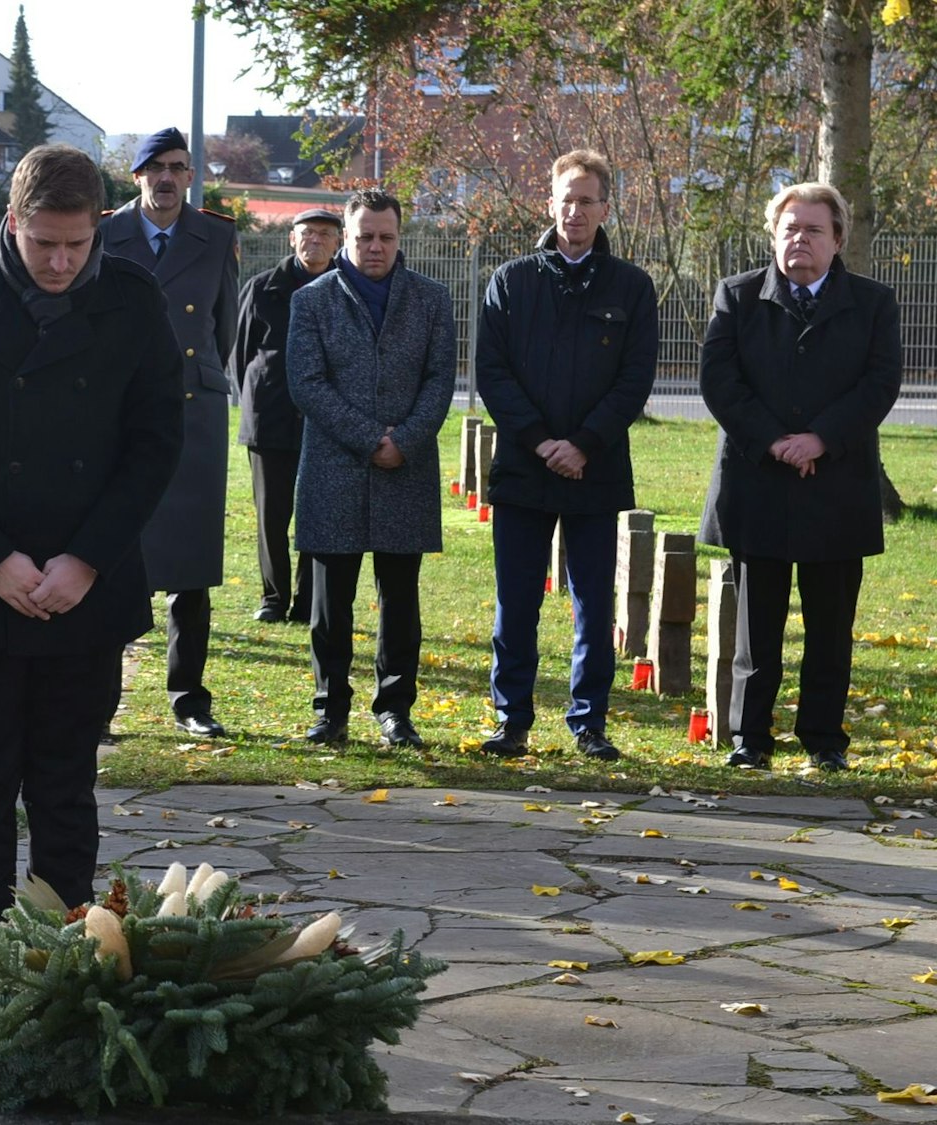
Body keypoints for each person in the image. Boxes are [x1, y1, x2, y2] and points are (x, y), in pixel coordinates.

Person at [0, 142, 183, 919]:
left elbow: (155, 442)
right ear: (12, 221)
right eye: (43, 242)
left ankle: (64, 938)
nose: (59, 262)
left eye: (77, 244)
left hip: (88, 578)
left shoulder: (132, 298)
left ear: (100, 228)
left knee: (64, 778)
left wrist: (85, 560)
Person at [700, 182, 901, 772]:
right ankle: (750, 739)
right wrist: (774, 441)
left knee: (831, 627)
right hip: (758, 483)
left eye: (813, 230)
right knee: (756, 629)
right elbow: (721, 381)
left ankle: (823, 739)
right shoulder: (737, 297)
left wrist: (821, 439)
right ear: (773, 235)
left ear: (838, 239)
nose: (799, 240)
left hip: (836, 487)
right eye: (789, 228)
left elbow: (880, 383)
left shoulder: (873, 303)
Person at [475, 150, 658, 762]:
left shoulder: (631, 286)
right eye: (565, 199)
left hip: (595, 469)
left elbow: (635, 380)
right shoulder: (511, 280)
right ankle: (512, 720)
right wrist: (539, 441)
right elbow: (492, 373)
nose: (575, 211)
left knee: (593, 604)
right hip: (525, 468)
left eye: (587, 200)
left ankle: (589, 722)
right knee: (516, 602)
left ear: (606, 208)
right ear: (548, 204)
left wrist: (582, 444)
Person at [286, 189, 454, 749]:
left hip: (405, 467)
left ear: (399, 237)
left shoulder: (430, 299)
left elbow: (439, 380)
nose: (375, 247)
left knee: (400, 600)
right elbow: (306, 383)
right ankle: (329, 709)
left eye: (385, 237)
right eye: (364, 237)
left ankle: (396, 710)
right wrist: (369, 439)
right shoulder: (312, 301)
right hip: (336, 465)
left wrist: (403, 440)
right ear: (346, 238)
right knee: (330, 602)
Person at [99, 127, 239, 738]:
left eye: (177, 167)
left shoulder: (217, 235)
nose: (166, 177)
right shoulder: (105, 233)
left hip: (193, 410)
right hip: (118, 413)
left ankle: (189, 699)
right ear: (137, 177)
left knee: (190, 565)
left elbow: (224, 326)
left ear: (189, 176)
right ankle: (98, 702)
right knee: (108, 556)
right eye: (154, 167)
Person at [234, 207, 343, 626]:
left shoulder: (345, 290)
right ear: (291, 239)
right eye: (307, 233)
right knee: (272, 514)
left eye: (325, 233)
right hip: (271, 416)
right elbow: (241, 352)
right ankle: (274, 597)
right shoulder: (262, 289)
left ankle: (307, 600)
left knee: (317, 512)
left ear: (338, 242)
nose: (315, 240)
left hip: (327, 420)